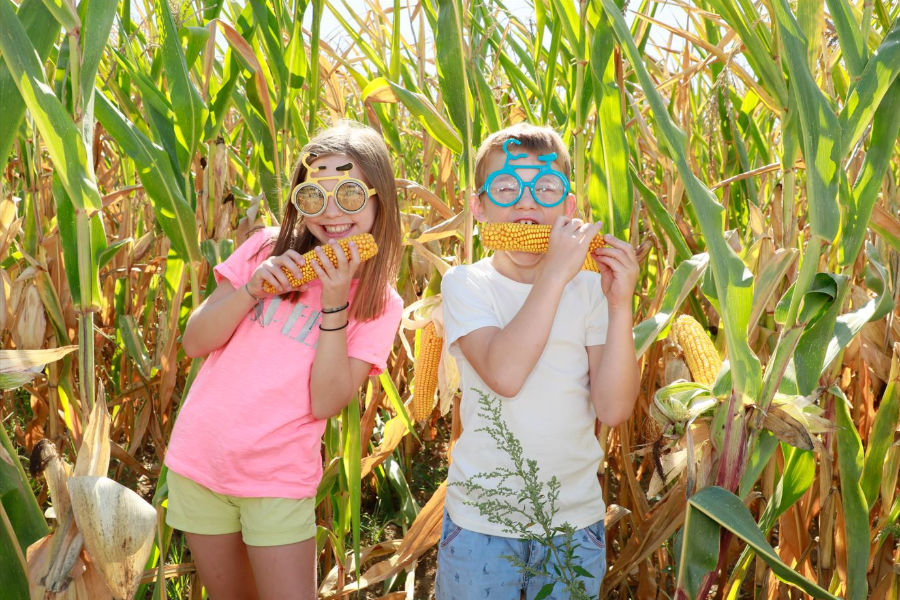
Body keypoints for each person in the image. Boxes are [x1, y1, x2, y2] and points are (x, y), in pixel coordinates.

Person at [164, 122, 403, 600]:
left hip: (276, 479)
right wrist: (253, 289)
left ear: (381, 200)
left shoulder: (379, 302)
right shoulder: (264, 249)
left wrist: (335, 304)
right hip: (198, 463)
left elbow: (325, 401)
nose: (331, 213)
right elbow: (194, 341)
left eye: (350, 194)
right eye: (314, 196)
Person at [436, 123, 640, 600]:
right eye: (506, 187)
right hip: (481, 525)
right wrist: (554, 273)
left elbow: (613, 410)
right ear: (478, 205)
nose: (526, 202)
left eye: (546, 188)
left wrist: (620, 304)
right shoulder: (467, 285)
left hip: (572, 524)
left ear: (569, 208)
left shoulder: (590, 290)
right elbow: (505, 375)